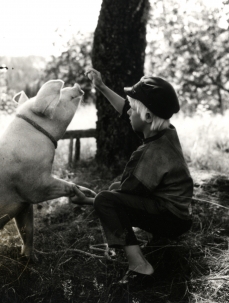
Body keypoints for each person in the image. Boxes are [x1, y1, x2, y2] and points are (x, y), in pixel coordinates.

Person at [71, 68, 193, 285]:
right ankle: (158, 241)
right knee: (115, 187)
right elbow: (128, 108)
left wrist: (90, 199)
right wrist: (101, 86)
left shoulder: (150, 153)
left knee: (107, 199)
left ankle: (139, 266)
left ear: (147, 116)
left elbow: (119, 199)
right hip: (179, 215)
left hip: (171, 219)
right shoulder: (165, 131)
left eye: (133, 109)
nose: (128, 112)